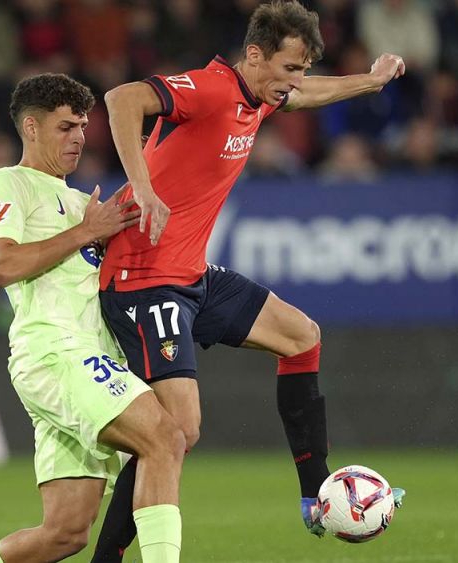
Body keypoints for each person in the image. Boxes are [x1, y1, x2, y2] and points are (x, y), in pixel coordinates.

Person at [91, 2, 407, 560]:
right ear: (255, 56)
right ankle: (108, 556)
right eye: (289, 68)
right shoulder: (211, 89)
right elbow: (121, 99)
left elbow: (308, 94)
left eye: (302, 69)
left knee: (301, 336)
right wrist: (140, 187)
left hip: (189, 276)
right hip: (143, 280)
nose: (296, 82)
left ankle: (316, 492)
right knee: (177, 431)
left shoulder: (261, 97)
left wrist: (371, 82)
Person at [0, 73, 186, 563]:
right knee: (165, 438)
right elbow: (2, 265)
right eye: (66, 126)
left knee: (66, 532)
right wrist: (86, 231)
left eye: (83, 126)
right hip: (55, 353)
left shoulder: (80, 202)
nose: (80, 137)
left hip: (86, 358)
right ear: (31, 127)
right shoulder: (12, 183)